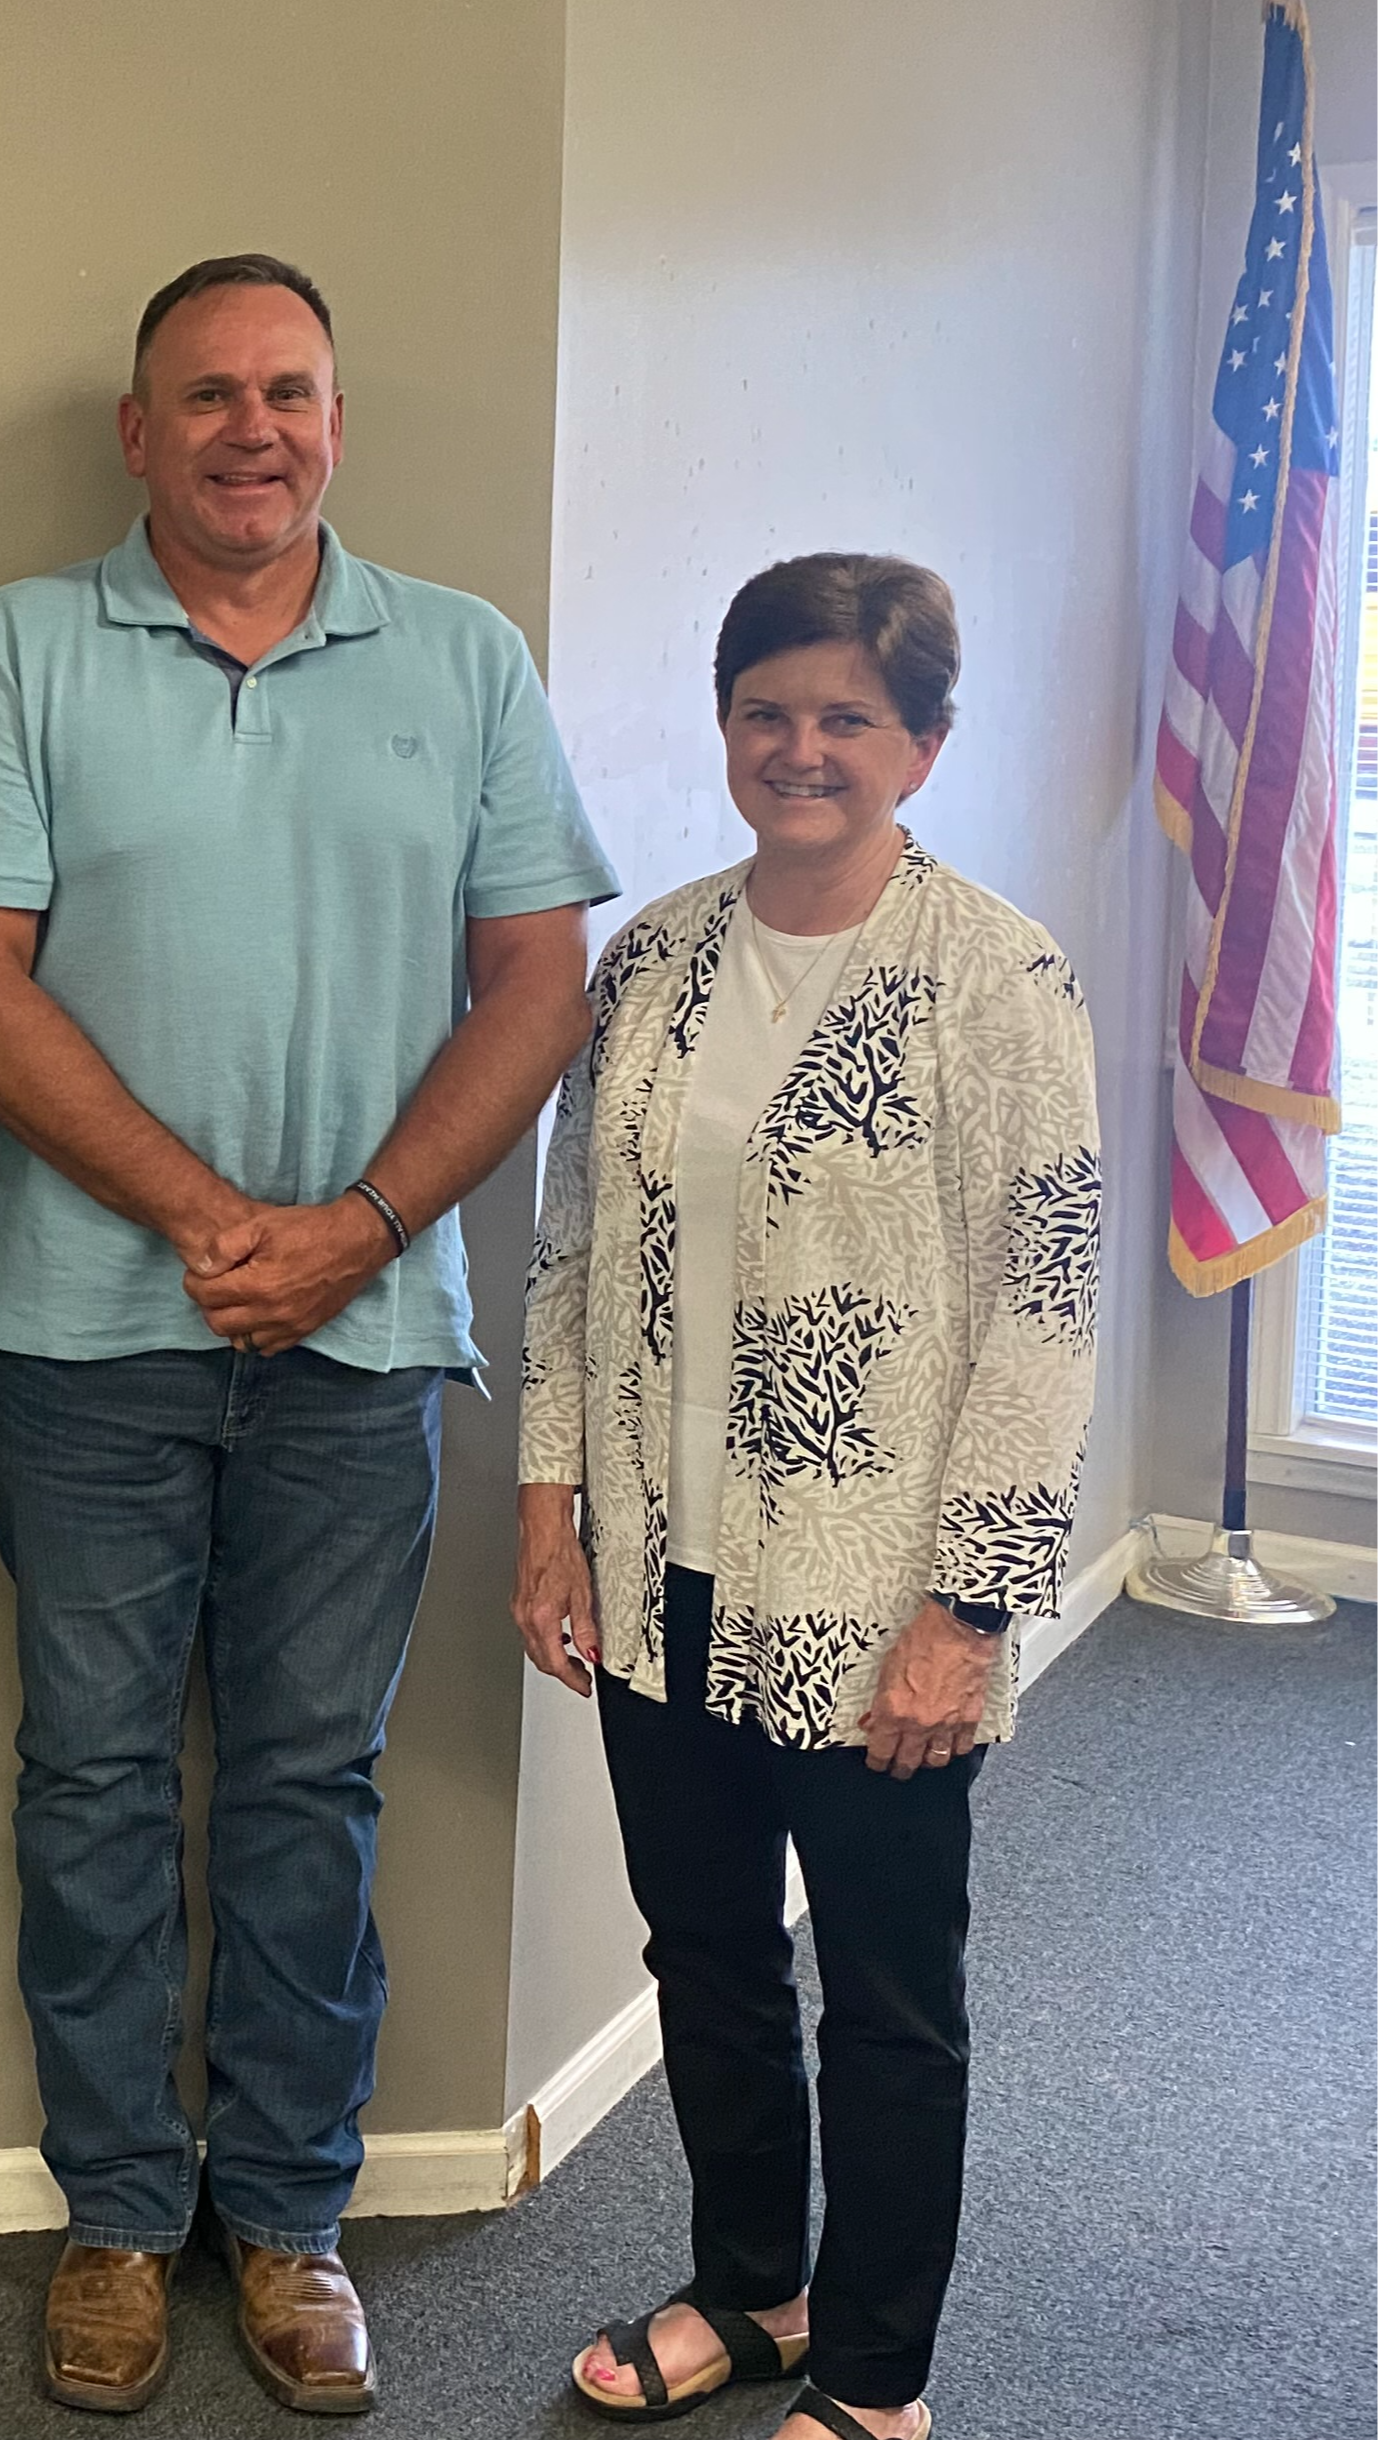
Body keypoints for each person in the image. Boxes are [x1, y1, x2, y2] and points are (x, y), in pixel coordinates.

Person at [0, 254, 617, 2418]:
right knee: (93, 1777)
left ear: (333, 420)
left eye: (285, 391)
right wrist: (217, 1219)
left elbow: (534, 985)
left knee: (310, 1780)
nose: (246, 428)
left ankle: (288, 2213)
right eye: (200, 394)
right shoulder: (18, 648)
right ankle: (121, 2209)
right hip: (79, 1334)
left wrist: (359, 1228)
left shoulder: (462, 659)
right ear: (135, 432)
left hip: (368, 1336)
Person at [513, 555, 1099, 2440]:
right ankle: (749, 2288)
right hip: (655, 1562)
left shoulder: (993, 979)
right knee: (702, 1959)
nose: (801, 747)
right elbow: (569, 1246)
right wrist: (548, 1508)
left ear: (922, 740)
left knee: (886, 1999)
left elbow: (1044, 1305)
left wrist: (967, 1608)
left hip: (876, 1594)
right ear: (725, 722)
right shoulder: (654, 959)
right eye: (768, 708)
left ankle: (871, 2379)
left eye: (847, 714)